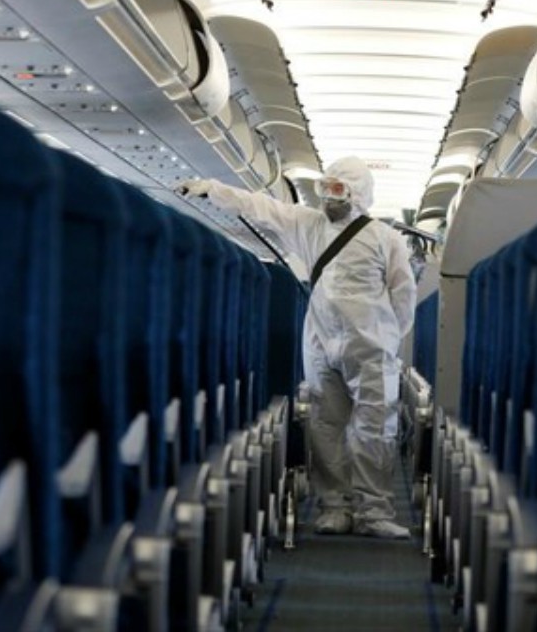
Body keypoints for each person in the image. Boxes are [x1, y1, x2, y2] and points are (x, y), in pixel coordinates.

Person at [177, 157, 417, 539]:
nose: (328, 197)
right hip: (321, 341)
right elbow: (263, 207)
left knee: (375, 428)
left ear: (357, 193)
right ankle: (334, 507)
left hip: (371, 347)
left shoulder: (385, 239)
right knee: (325, 425)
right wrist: (213, 189)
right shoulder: (309, 225)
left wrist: (387, 339)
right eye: (324, 187)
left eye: (337, 189)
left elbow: (403, 296)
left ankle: (374, 511)